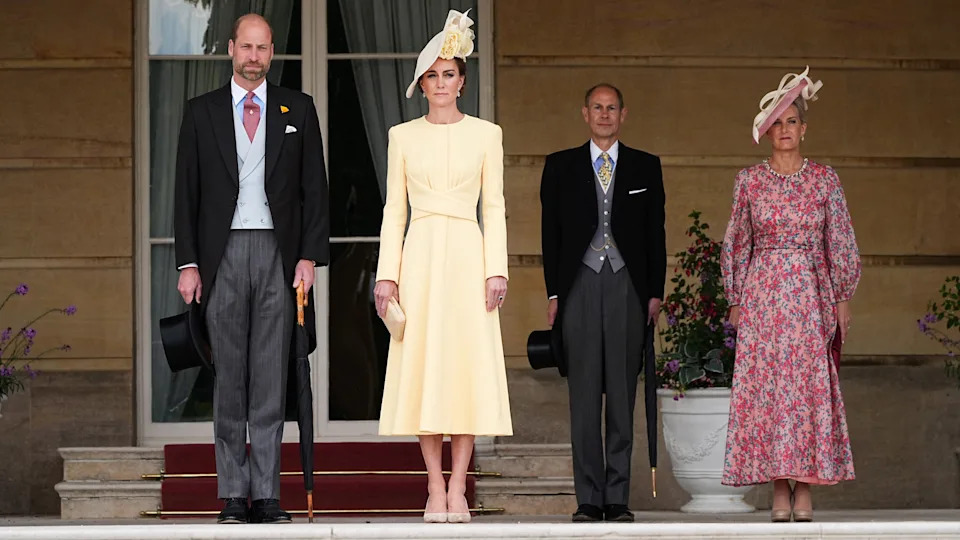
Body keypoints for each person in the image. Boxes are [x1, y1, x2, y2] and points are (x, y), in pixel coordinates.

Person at [173, 13, 329, 524]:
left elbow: (314, 188)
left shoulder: (297, 108)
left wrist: (308, 256)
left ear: (272, 51)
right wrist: (189, 263)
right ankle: (233, 495)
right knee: (229, 378)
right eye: (247, 47)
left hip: (278, 255)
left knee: (269, 376)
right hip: (221, 255)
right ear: (231, 49)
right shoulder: (201, 112)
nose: (254, 57)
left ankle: (266, 493)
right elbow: (186, 193)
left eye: (263, 48)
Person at [372, 9, 512, 525]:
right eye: (431, 75)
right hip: (421, 256)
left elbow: (494, 205)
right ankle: (434, 486)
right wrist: (387, 275)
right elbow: (394, 210)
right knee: (425, 367)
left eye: (448, 74)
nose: (440, 83)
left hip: (469, 256)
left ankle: (459, 486)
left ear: (462, 80)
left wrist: (496, 269)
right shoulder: (402, 136)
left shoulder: (487, 134)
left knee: (465, 367)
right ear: (422, 83)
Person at [721, 67, 860, 523]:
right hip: (763, 297)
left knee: (805, 391)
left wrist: (842, 298)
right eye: (777, 122)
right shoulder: (749, 181)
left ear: (804, 128)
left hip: (810, 298)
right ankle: (779, 486)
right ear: (768, 131)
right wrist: (736, 298)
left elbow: (839, 239)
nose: (785, 129)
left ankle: (805, 487)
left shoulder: (824, 179)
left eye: (792, 121)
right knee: (769, 391)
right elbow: (737, 242)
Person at [539, 83, 666, 522]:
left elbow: (655, 233)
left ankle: (617, 496)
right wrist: (554, 293)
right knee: (584, 395)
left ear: (623, 115)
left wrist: (654, 292)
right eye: (598, 107)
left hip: (627, 285)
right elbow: (550, 234)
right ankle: (589, 498)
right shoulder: (560, 166)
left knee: (622, 393)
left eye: (612, 108)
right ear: (585, 113)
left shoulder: (646, 166)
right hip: (579, 284)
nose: (605, 114)